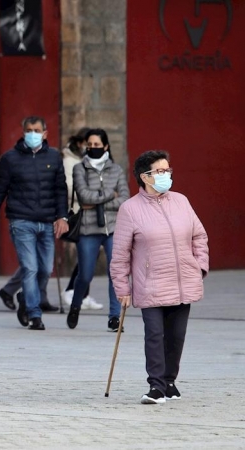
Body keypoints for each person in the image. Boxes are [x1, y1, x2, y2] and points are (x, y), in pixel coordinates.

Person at [110, 150, 208, 404]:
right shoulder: (130, 209)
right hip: (150, 283)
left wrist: (199, 267)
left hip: (182, 280)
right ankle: (156, 386)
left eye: (168, 170)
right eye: (161, 171)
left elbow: (199, 236)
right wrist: (122, 288)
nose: (167, 175)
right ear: (145, 176)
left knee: (176, 335)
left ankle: (169, 381)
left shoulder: (181, 201)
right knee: (155, 334)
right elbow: (120, 253)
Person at [0, 116, 68, 330]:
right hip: (21, 221)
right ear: (23, 132)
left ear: (45, 133)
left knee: (45, 269)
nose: (33, 134)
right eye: (29, 130)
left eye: (37, 130)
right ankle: (34, 313)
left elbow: (60, 190)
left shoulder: (54, 157)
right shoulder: (10, 159)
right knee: (30, 268)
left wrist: (62, 217)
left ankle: (25, 301)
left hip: (47, 222)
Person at [65, 128, 130, 331]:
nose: (93, 148)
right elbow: (84, 197)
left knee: (115, 272)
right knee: (85, 274)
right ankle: (75, 305)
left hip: (113, 228)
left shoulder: (116, 170)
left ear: (106, 146)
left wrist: (100, 200)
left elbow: (125, 199)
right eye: (89, 145)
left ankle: (114, 317)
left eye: (97, 145)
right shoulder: (79, 169)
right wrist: (111, 194)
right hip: (88, 228)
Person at [59, 128, 103, 311]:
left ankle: (83, 294)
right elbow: (69, 187)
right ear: (79, 143)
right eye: (88, 143)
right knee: (87, 255)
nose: (90, 147)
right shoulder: (70, 161)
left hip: (94, 214)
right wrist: (91, 194)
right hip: (80, 213)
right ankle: (72, 290)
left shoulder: (89, 161)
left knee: (90, 255)